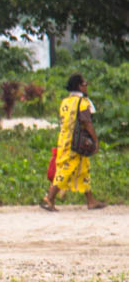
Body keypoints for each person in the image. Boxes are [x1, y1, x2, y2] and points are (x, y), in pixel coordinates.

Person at [40, 73, 105, 211]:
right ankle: (49, 198)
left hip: (64, 139)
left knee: (83, 169)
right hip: (77, 142)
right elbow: (86, 122)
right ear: (79, 86)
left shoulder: (65, 102)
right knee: (66, 169)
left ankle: (91, 201)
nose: (86, 86)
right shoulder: (83, 103)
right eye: (84, 84)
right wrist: (95, 140)